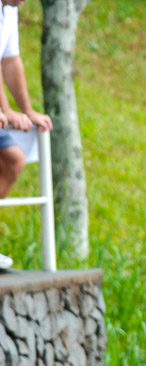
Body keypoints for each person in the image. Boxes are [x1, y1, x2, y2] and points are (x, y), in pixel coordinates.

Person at [0, 0, 53, 271]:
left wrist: (27, 110)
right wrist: (5, 109)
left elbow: (10, 60)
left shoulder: (10, 11)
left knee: (12, 160)